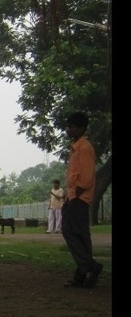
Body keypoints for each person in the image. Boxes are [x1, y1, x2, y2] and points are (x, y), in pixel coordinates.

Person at [61, 112, 102, 288]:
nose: (68, 130)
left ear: (81, 129)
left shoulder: (84, 148)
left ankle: (90, 267)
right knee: (75, 234)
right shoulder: (76, 147)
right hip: (73, 197)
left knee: (75, 233)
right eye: (68, 126)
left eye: (72, 127)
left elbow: (85, 178)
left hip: (79, 198)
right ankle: (84, 272)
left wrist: (75, 196)